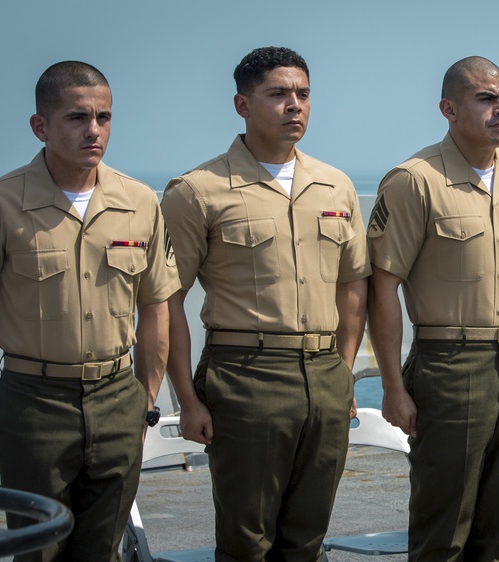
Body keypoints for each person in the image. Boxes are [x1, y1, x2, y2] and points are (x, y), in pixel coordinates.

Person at [0, 61, 178, 561]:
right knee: (39, 552)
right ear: (40, 126)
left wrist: (145, 402)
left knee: (103, 550)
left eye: (104, 117)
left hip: (118, 400)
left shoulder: (140, 202)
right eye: (76, 117)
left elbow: (156, 306)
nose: (94, 130)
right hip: (33, 405)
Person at [160, 46, 369, 562]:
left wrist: (341, 373)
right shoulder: (197, 191)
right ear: (242, 104)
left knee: (308, 536)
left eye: (302, 94)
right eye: (277, 94)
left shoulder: (336, 184)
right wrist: (186, 398)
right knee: (247, 541)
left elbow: (352, 287)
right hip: (245, 375)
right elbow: (166, 300)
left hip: (324, 375)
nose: (293, 105)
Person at [367, 56, 499, 561]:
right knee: (443, 529)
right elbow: (382, 287)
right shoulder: (414, 180)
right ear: (449, 109)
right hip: (449, 366)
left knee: (496, 527)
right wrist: (392, 385)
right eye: (486, 99)